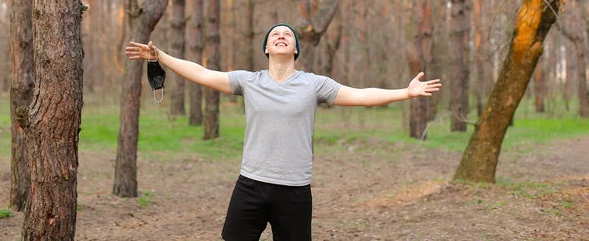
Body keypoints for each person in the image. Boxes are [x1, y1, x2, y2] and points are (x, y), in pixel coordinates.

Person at [126, 23, 442, 241]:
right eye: (275, 34)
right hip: (250, 184)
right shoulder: (249, 81)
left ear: (295, 49)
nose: (280, 36)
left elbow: (360, 95)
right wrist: (160, 56)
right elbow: (202, 73)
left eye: (287, 34)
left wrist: (406, 92)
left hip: (294, 190)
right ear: (266, 47)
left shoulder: (314, 83)